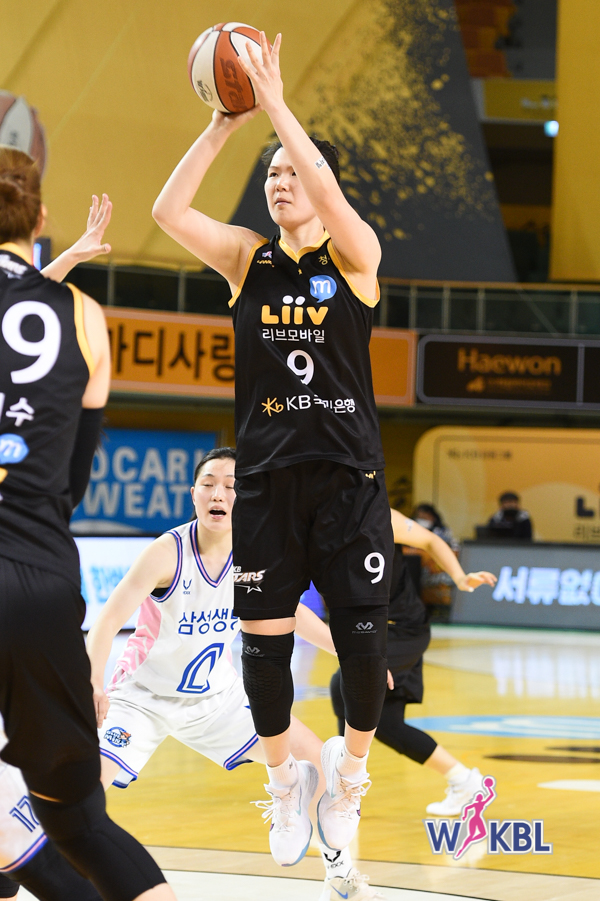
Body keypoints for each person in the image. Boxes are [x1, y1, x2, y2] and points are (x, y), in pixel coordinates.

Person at [153, 31, 393, 866]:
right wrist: (224, 123)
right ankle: (286, 779)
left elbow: (323, 182)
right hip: (266, 482)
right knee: (263, 653)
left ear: (321, 187)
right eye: (272, 174)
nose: (280, 181)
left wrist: (279, 106)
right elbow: (168, 214)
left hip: (349, 479)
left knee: (364, 653)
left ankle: (349, 778)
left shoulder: (355, 257)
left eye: (292, 171)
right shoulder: (246, 261)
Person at [86, 448, 386, 901]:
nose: (218, 494)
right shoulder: (165, 553)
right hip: (143, 696)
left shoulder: (255, 555)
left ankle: (340, 875)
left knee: (320, 762)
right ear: (193, 493)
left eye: (231, 486)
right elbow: (106, 621)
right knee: (85, 790)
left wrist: (350, 653)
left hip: (217, 698)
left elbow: (291, 614)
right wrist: (93, 683)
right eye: (208, 484)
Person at [0, 147, 175, 901]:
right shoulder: (84, 316)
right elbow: (72, 478)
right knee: (76, 821)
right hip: (40, 577)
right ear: (40, 218)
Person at [329, 509, 497, 817]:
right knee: (387, 724)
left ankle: (342, 795)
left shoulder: (376, 513)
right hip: (365, 630)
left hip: (402, 628)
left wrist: (460, 578)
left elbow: (431, 541)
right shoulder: (313, 522)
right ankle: (464, 781)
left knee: (345, 684)